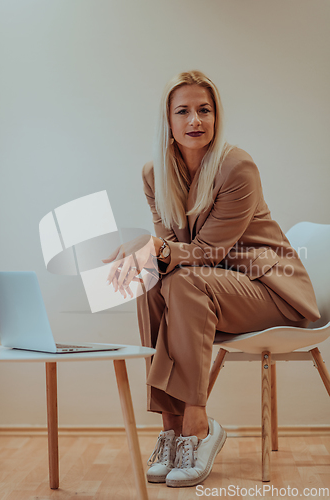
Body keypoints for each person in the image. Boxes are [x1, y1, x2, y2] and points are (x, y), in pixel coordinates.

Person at [104, 70, 320, 488]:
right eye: (183, 111)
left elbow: (206, 253)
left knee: (181, 280)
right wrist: (147, 252)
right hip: (208, 289)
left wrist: (152, 246)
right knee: (151, 280)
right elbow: (168, 252)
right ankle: (171, 427)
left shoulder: (236, 166)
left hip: (268, 287)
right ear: (167, 120)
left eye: (204, 110)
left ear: (216, 116)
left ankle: (198, 425)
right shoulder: (155, 173)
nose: (195, 121)